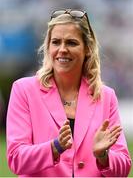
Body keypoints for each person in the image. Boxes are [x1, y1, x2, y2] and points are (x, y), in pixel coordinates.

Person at [6, 9, 132, 177]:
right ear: (48, 46)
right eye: (56, 42)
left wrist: (104, 156)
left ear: (87, 48)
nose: (62, 49)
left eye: (71, 43)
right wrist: (54, 147)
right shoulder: (24, 90)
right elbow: (16, 159)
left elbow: (124, 167)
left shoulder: (105, 96)